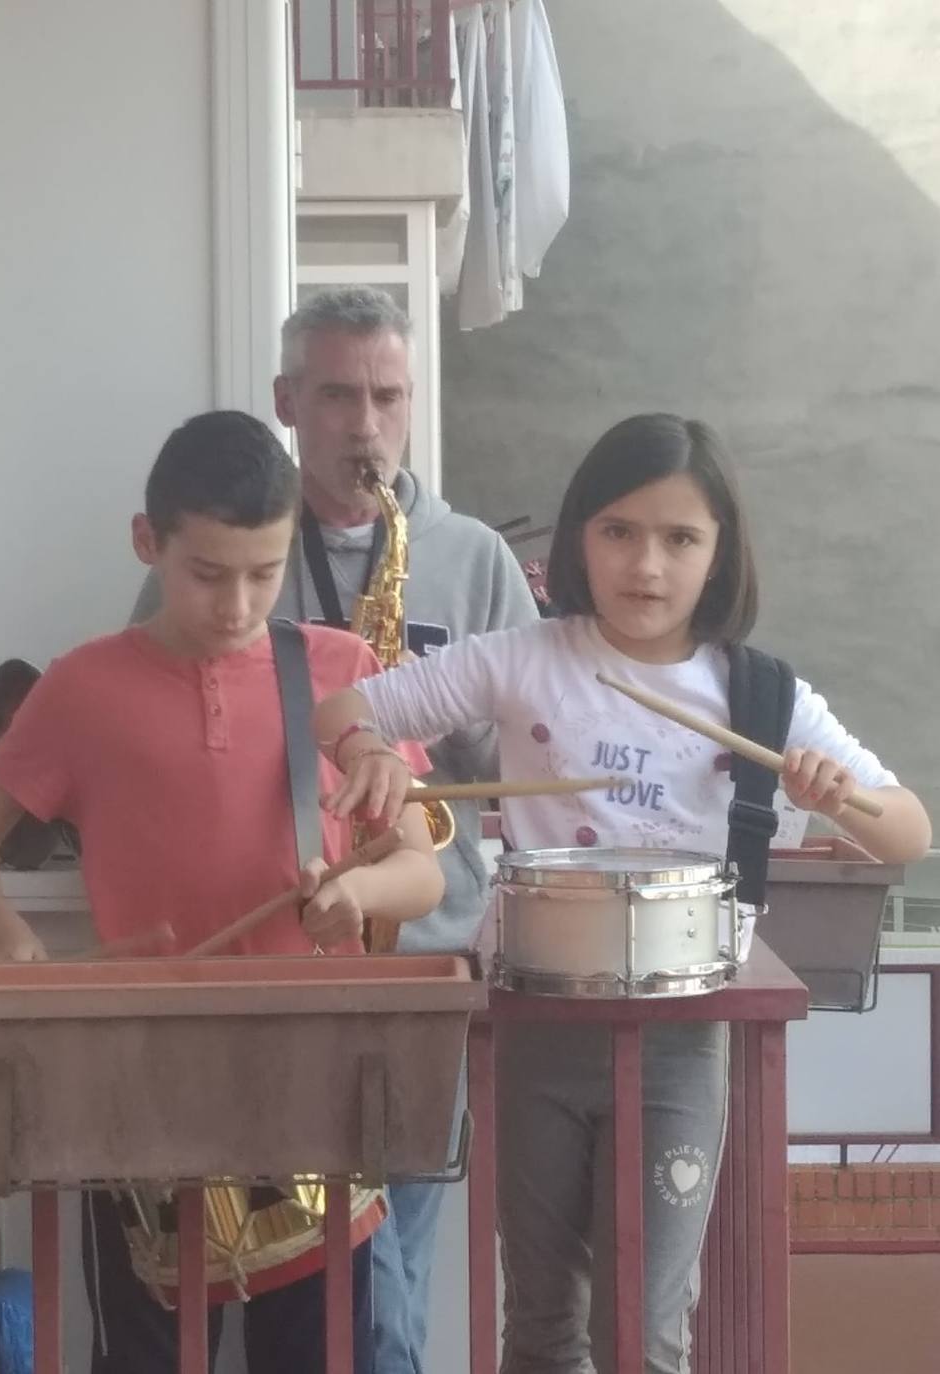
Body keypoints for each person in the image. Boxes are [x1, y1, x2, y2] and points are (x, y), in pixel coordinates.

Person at [312, 412, 932, 1374]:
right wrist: (367, 756)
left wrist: (836, 793)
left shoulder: (758, 694)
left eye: (680, 538)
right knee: (545, 1322)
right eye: (619, 532)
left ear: (720, 556)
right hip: (537, 1025)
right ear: (578, 539)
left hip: (685, 1038)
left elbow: (909, 827)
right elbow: (344, 707)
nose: (647, 565)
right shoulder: (525, 658)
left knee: (645, 1329)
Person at [0, 410, 445, 1374]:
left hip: (311, 1071)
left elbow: (418, 869)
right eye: (207, 573)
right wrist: (4, 934)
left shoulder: (338, 672)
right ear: (147, 542)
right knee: (146, 1356)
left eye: (263, 571)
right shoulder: (84, 685)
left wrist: (362, 889)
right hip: (139, 1073)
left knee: (328, 1356)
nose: (238, 603)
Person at [132, 286, 539, 1374]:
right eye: (338, 395)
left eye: (388, 396)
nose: (365, 424)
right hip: (263, 965)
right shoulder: (228, 544)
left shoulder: (468, 559)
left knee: (389, 1282)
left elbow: (521, 768)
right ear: (286, 403)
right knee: (271, 1291)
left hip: (419, 959)